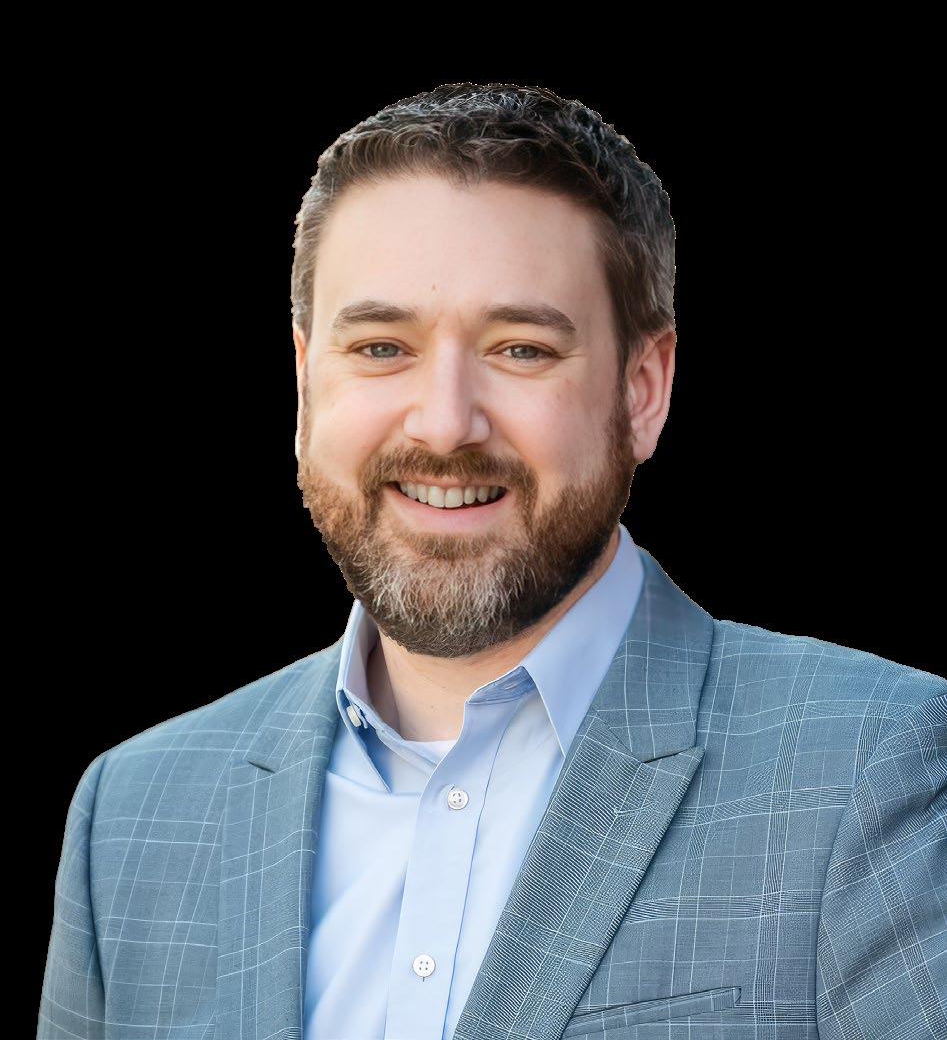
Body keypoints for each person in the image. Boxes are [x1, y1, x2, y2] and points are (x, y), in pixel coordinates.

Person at [39, 83, 946, 1040]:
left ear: (642, 390)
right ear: (305, 381)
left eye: (519, 349)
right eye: (380, 346)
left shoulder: (869, 765)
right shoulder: (131, 816)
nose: (443, 423)